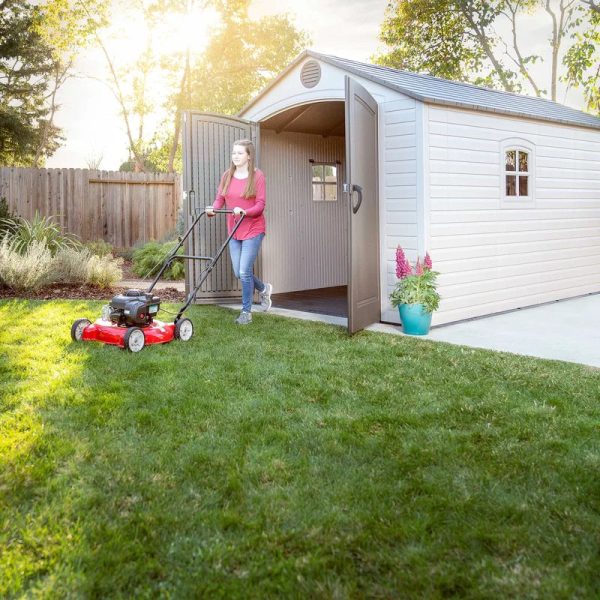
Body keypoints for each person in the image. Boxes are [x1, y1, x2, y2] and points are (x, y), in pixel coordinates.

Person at [206, 139, 272, 325]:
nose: (235, 156)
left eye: (240, 153)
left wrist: (245, 212)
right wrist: (213, 208)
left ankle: (246, 312)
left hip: (253, 227)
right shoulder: (227, 175)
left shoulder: (258, 176)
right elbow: (220, 198)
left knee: (244, 271)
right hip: (234, 230)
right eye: (234, 153)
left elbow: (260, 205)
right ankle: (264, 288)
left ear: (249, 156)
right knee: (239, 272)